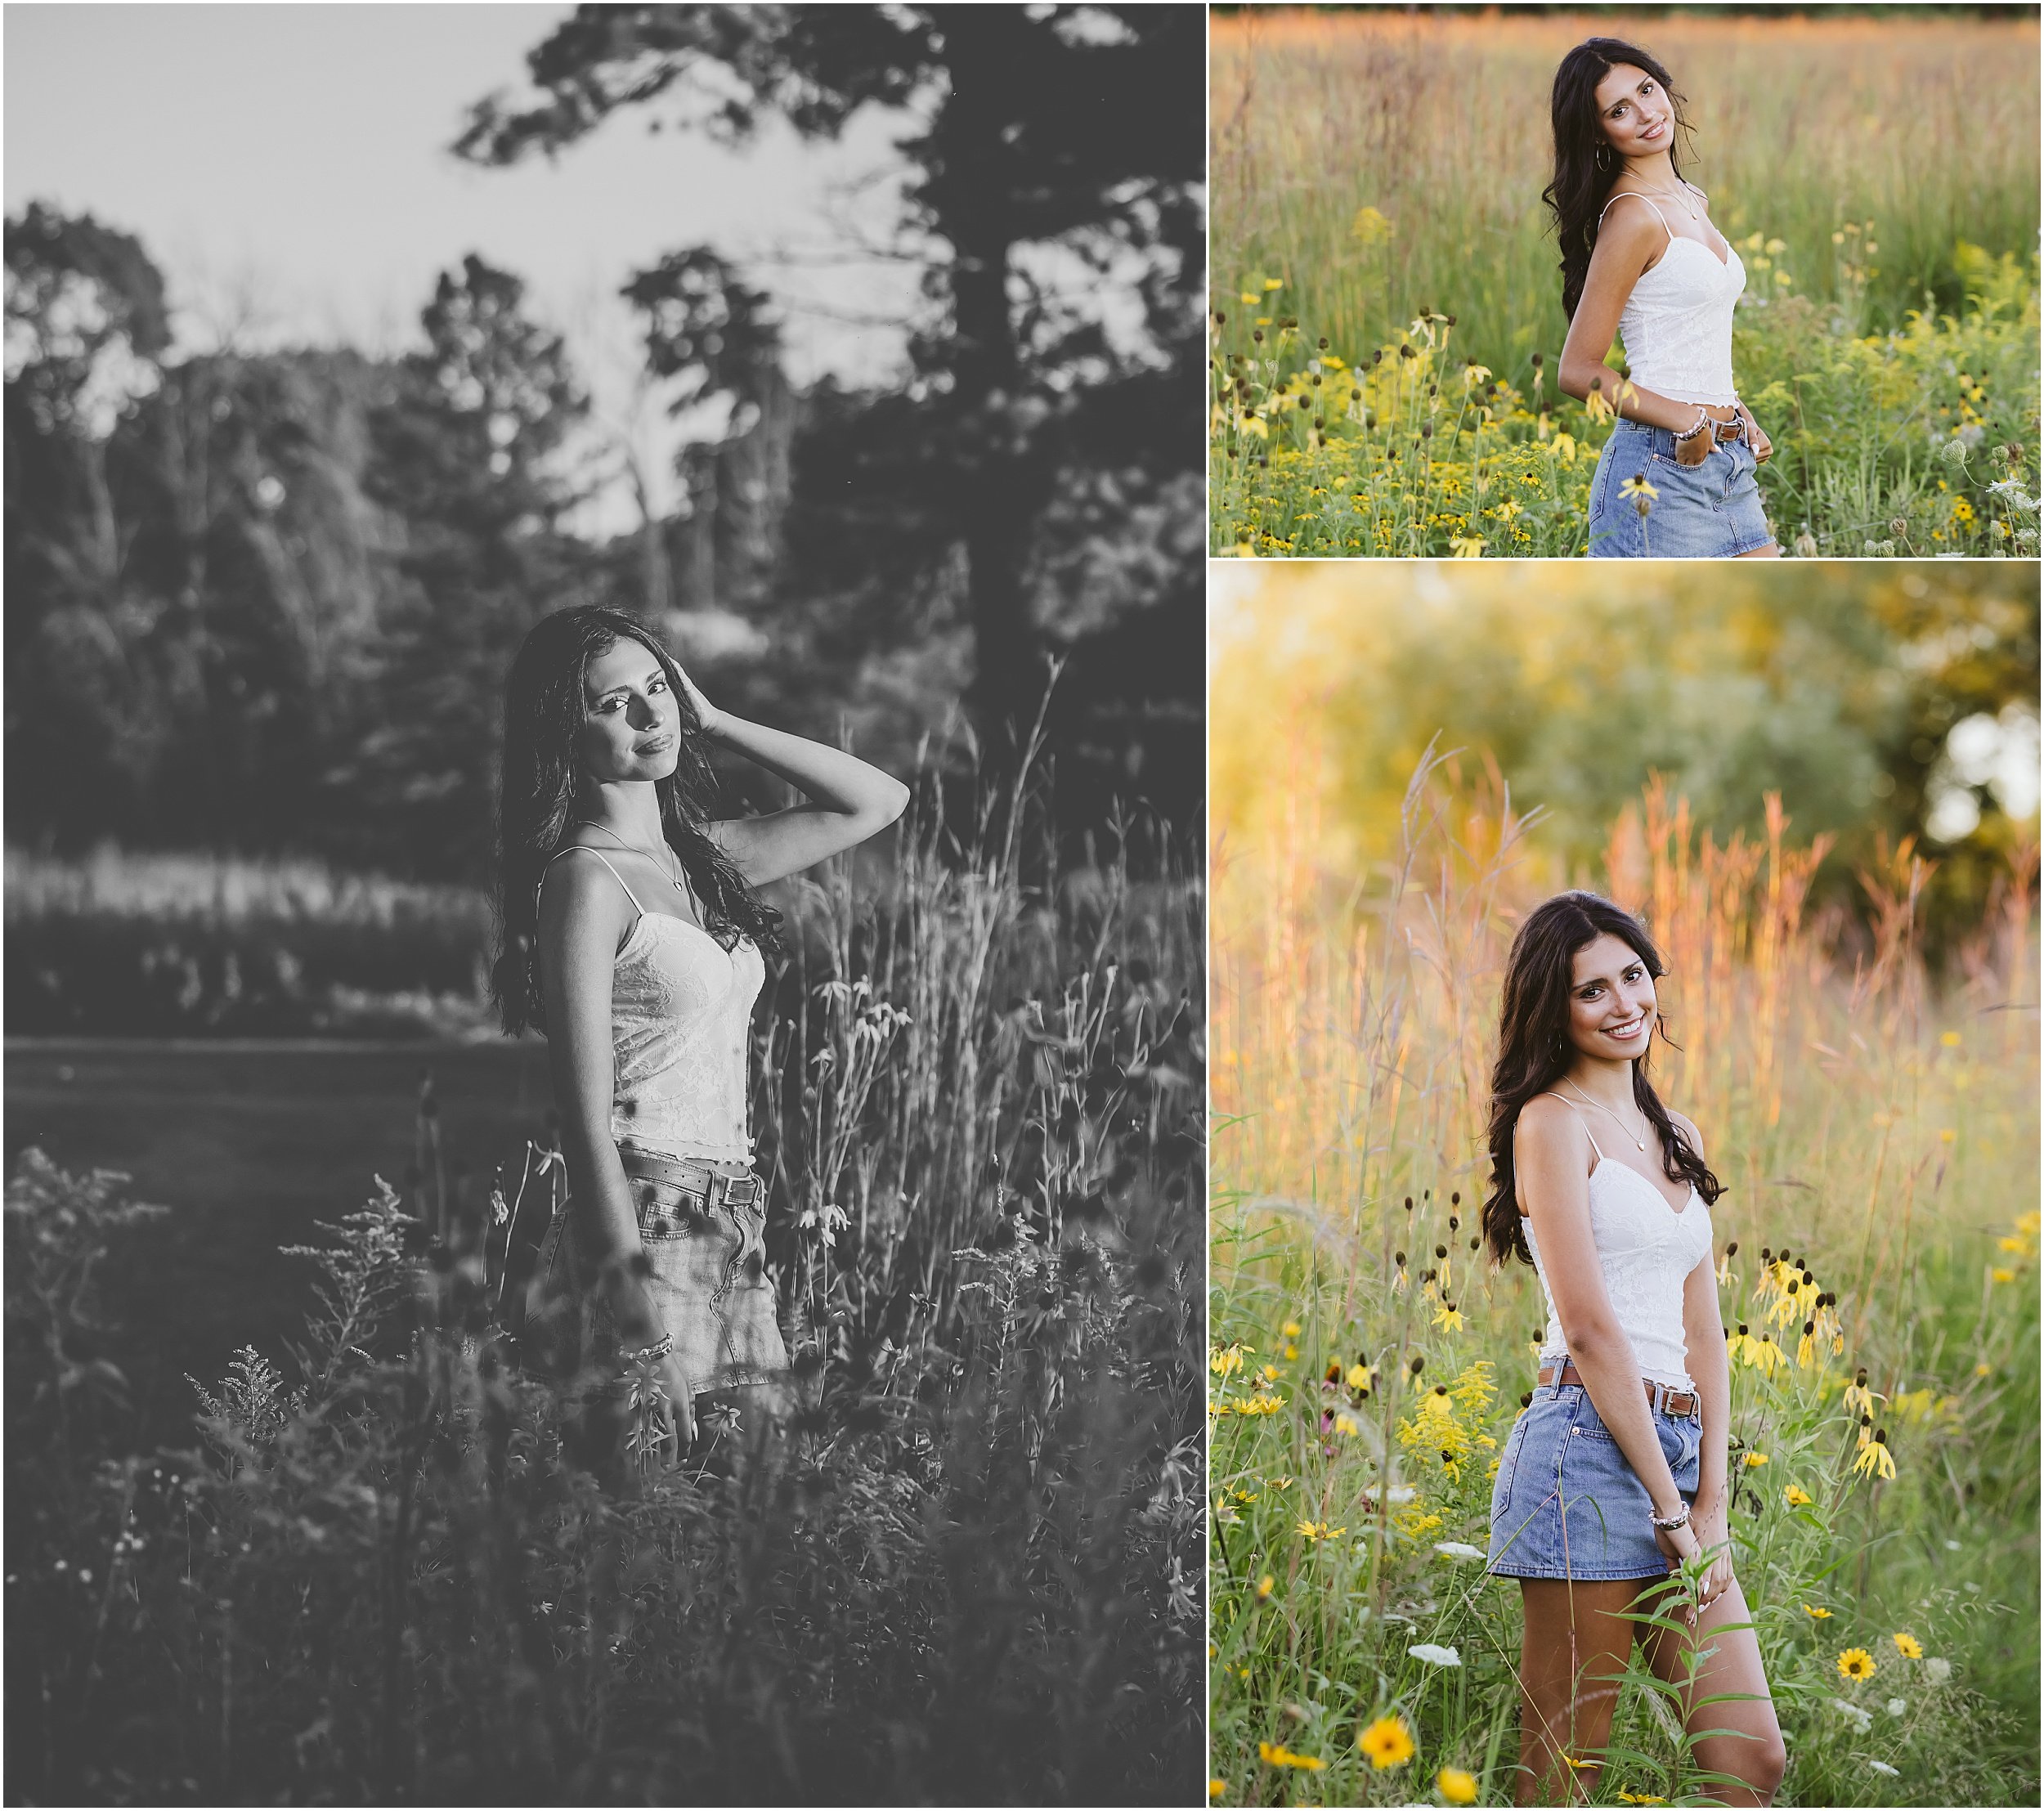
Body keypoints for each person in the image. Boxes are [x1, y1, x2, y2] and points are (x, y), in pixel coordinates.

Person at [491, 605, 908, 1474]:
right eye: (614, 703)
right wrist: (639, 1328)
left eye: (657, 689)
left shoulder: (702, 862)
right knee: (649, 1528)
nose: (651, 716)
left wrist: (717, 720)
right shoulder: (584, 881)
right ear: (563, 728)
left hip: (733, 1220)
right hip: (646, 1222)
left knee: (761, 1518)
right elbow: (585, 1121)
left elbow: (877, 799)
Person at [1481, 893, 1786, 1805]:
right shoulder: (1550, 1123)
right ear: (1552, 1008)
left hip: (1680, 1455)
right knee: (1568, 1765)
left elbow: (1703, 1332)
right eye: (1591, 990)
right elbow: (1589, 1327)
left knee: (1750, 1758)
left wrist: (1710, 1500)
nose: (1623, 1003)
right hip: (1587, 1455)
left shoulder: (1676, 1131)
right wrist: (1665, 1503)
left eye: (1633, 976)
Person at [1543, 38, 1780, 558]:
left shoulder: (1692, 200)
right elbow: (1578, 372)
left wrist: (1735, 412)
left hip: (1727, 459)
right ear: (1599, 132)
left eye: (1647, 90)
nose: (1646, 114)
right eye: (1619, 110)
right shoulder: (1632, 216)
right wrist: (1688, 420)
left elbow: (1688, 339)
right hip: (1659, 469)